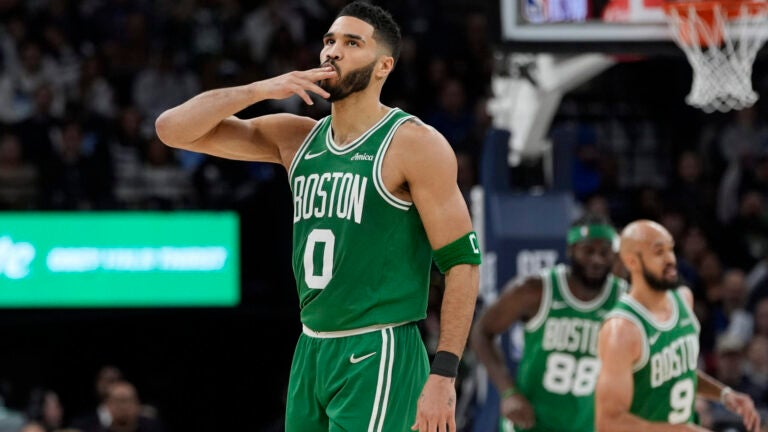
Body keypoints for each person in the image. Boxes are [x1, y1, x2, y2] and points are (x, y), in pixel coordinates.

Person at [154, 2, 481, 431]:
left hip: (378, 346)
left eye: (351, 42)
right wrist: (258, 90)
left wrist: (444, 373)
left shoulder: (412, 143)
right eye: (329, 40)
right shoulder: (296, 138)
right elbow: (171, 129)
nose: (332, 51)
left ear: (384, 65)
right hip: (311, 346)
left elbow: (462, 262)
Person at [595, 219, 761, 431]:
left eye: (670, 249)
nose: (671, 259)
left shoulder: (684, 299)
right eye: (658, 252)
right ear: (632, 261)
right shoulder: (622, 330)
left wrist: (724, 394)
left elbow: (680, 373)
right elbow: (609, 422)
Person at [471, 213, 627, 431]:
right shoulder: (535, 290)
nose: (597, 260)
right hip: (530, 423)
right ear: (571, 250)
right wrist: (508, 391)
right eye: (588, 251)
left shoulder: (624, 300)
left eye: (604, 253)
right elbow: (481, 332)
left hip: (586, 424)